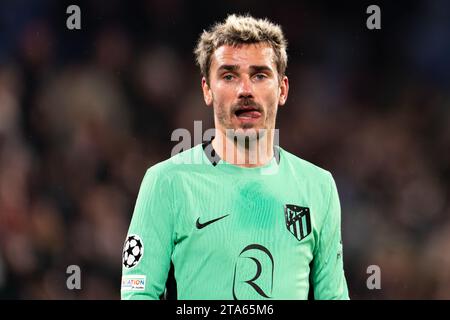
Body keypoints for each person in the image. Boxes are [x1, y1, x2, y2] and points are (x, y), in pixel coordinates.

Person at [121, 14, 349, 300]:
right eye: (229, 76)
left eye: (260, 75)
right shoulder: (166, 182)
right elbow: (138, 296)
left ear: (282, 89)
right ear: (207, 90)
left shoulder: (318, 186)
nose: (245, 90)